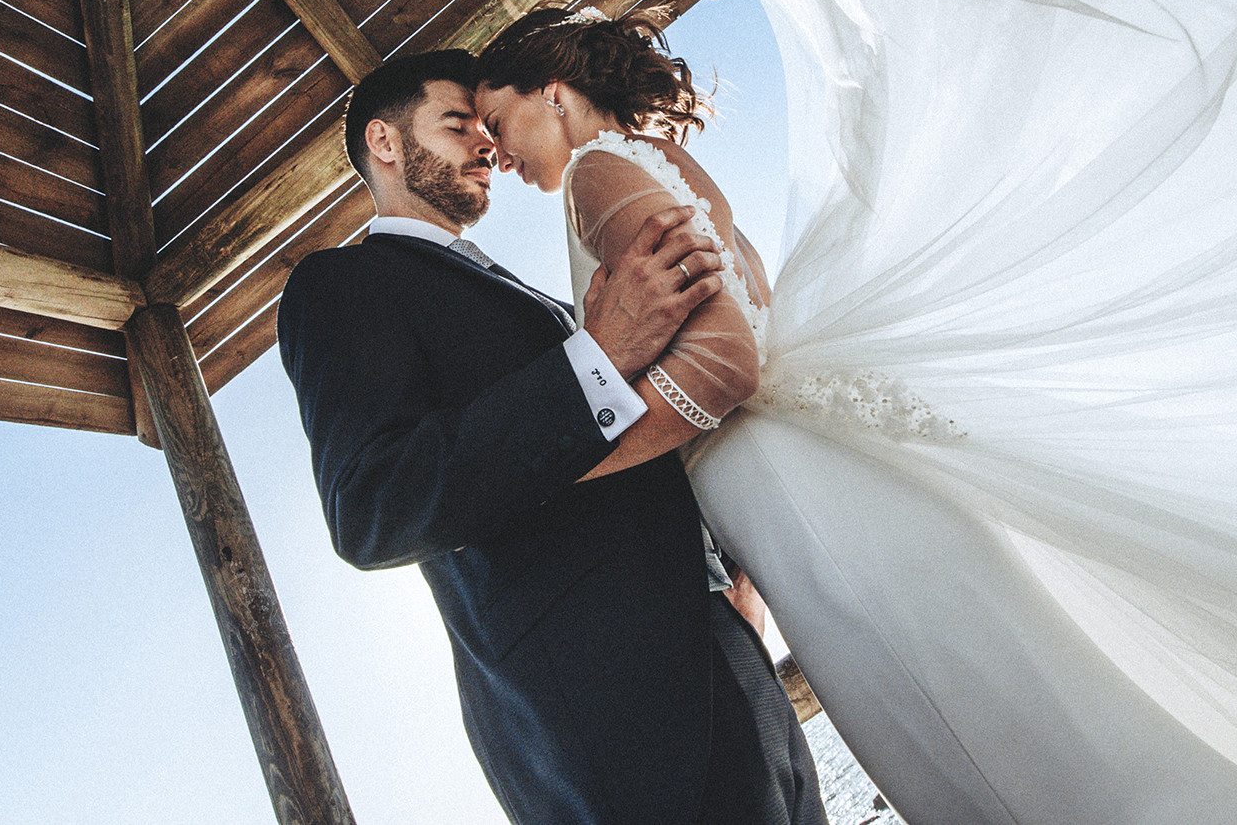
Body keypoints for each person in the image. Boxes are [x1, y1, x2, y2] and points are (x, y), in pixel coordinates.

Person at [475, 5, 1237, 825]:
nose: (496, 152)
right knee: (1018, 706)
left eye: (496, 119)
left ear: (551, 88)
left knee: (964, 737)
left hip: (783, 486)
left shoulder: (594, 173)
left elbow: (726, 362)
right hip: (809, 471)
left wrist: (569, 466)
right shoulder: (660, 157)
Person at [275, 48, 829, 825]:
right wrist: (596, 356)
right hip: (604, 722)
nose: (487, 147)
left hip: (720, 652)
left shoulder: (532, 296)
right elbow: (374, 503)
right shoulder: (338, 285)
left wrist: (733, 586)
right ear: (387, 143)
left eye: (487, 126)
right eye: (458, 123)